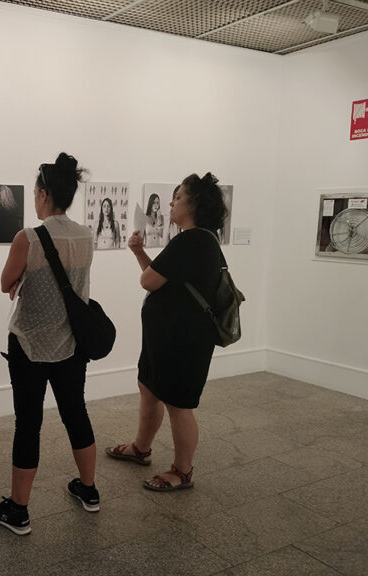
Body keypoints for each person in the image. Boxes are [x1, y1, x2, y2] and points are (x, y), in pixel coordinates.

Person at [0, 153, 98, 536]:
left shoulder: (28, 238)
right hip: (71, 345)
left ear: (42, 194)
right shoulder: (86, 236)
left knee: (28, 424)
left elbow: (6, 283)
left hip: (30, 345)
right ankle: (89, 490)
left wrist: (23, 281)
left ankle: (19, 510)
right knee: (76, 413)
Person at [105, 172, 226, 492]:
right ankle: (140, 448)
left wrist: (140, 258)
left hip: (183, 340)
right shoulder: (199, 239)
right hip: (168, 337)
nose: (172, 203)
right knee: (149, 388)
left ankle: (183, 471)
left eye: (179, 197)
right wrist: (138, 252)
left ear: (194, 204)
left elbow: (148, 281)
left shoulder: (191, 240)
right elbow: (161, 277)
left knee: (178, 403)